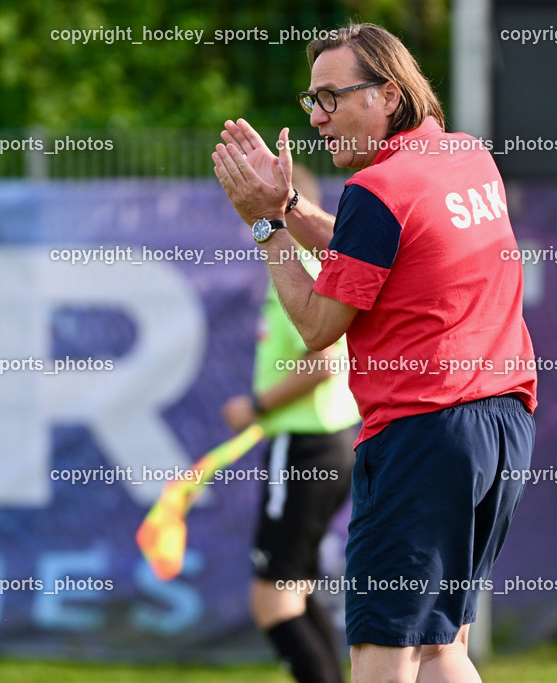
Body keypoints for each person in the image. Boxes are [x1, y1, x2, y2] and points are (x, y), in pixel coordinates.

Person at [212, 23, 537, 683]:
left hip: (425, 434)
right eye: (312, 101)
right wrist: (291, 204)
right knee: (443, 649)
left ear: (389, 95)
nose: (319, 117)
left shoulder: (378, 188)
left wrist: (267, 225)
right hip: (502, 427)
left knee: (382, 655)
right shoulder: (464, 155)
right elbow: (380, 247)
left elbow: (318, 324)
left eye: (333, 97)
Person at [221, 164, 359, 683]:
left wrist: (256, 407)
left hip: (307, 445)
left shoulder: (294, 264)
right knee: (293, 589)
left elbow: (321, 363)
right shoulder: (305, 260)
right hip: (331, 442)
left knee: (272, 599)